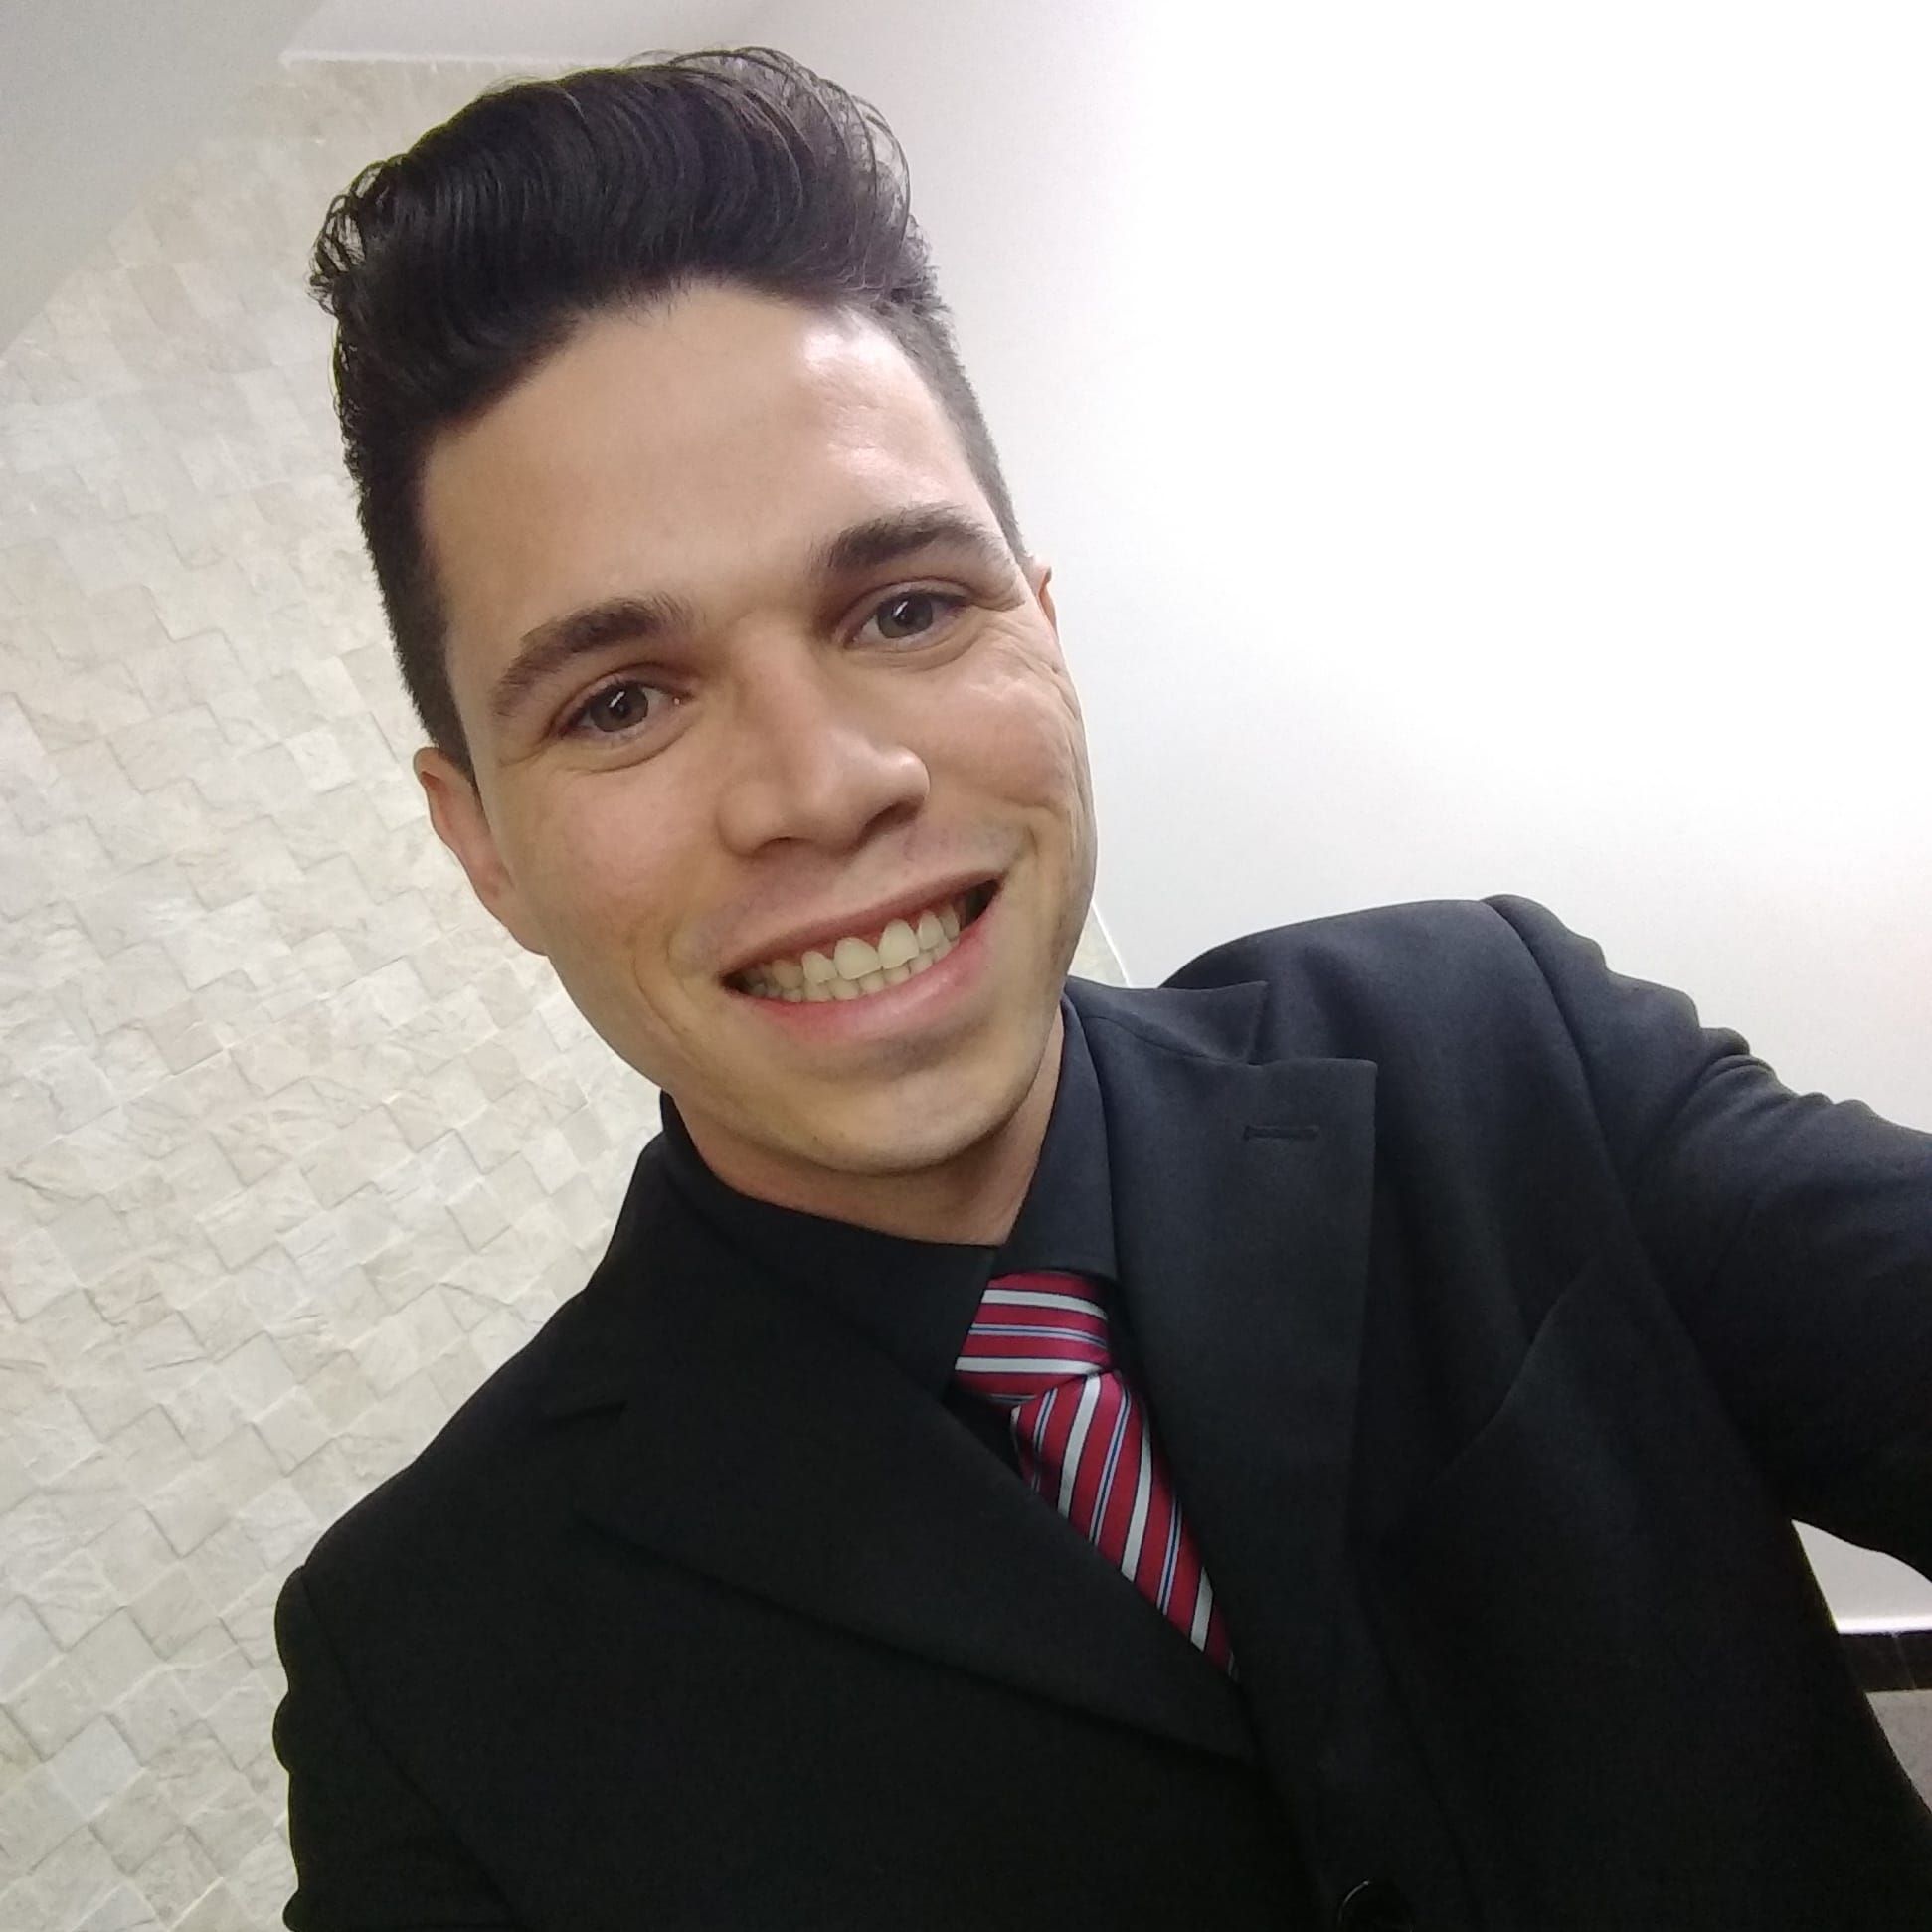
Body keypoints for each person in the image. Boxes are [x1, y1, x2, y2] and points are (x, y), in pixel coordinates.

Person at [270, 45, 1932, 1931]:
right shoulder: (430, 1671)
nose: (824, 783)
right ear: (481, 840)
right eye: (621, 700)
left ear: (1043, 632)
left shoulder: (1490, 1040)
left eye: (906, 608)